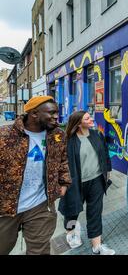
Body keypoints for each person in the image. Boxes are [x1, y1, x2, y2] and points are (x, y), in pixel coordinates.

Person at [0, 96, 71, 255]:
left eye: (56, 112)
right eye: (51, 113)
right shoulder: (5, 135)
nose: (56, 116)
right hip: (6, 207)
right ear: (33, 114)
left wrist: (64, 183)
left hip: (40, 205)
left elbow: (63, 160)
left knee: (39, 250)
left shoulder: (58, 135)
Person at [58, 111, 115, 255]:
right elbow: (62, 163)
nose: (91, 119)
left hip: (96, 180)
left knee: (95, 212)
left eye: (90, 117)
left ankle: (97, 245)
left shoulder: (97, 135)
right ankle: (71, 233)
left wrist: (107, 171)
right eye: (87, 118)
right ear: (78, 123)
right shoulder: (68, 140)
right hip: (76, 183)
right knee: (72, 212)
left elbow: (104, 154)